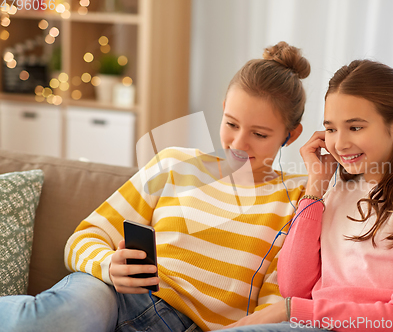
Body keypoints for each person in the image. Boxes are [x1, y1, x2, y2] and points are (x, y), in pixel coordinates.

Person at [0, 41, 311, 332]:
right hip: (110, 294)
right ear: (223, 107)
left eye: (259, 134)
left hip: (184, 326)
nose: (238, 144)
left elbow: (274, 307)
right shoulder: (174, 164)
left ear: (291, 135)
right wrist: (109, 266)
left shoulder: (297, 200)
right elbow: (84, 238)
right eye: (231, 124)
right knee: (44, 320)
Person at [220, 59, 393, 332]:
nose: (339, 144)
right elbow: (293, 286)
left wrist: (293, 310)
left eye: (355, 127)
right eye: (330, 129)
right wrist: (315, 187)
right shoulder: (336, 193)